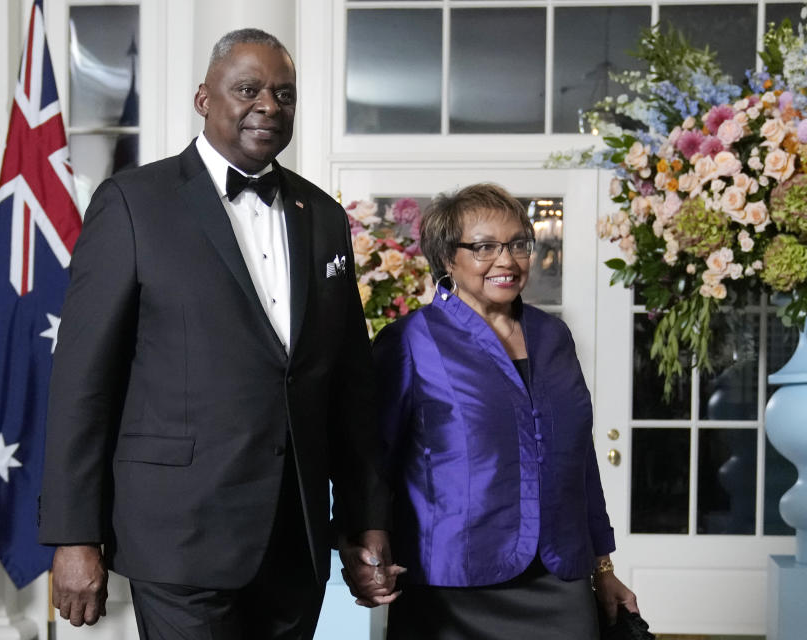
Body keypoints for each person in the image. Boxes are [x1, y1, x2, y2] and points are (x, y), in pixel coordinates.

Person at [38, 28, 399, 640]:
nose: (269, 106)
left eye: (283, 95)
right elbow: (83, 383)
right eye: (249, 90)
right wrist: (75, 536)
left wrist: (366, 521)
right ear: (205, 99)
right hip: (180, 536)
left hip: (296, 539)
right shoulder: (132, 203)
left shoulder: (324, 217)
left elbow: (349, 389)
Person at [372, 183, 638, 639]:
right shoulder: (411, 341)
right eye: (484, 247)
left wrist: (603, 567)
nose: (507, 260)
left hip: (560, 576)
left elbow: (578, 461)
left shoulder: (554, 337)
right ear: (446, 258)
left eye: (518, 244)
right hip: (452, 581)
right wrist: (367, 545)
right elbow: (373, 461)